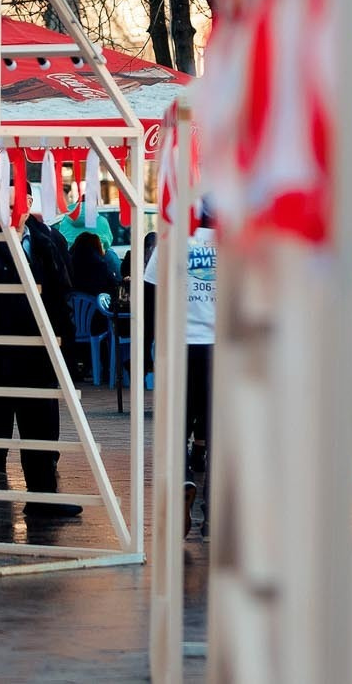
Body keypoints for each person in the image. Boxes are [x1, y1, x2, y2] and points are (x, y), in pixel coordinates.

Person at [0, 215, 77, 521]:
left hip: (36, 351)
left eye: (19, 200)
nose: (12, 209)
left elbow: (62, 287)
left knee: (40, 428)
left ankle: (42, 497)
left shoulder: (45, 241)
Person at [147, 222, 217, 536]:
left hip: (178, 346)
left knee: (176, 427)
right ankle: (213, 515)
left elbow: (150, 292)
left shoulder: (170, 239)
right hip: (221, 349)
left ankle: (182, 479)